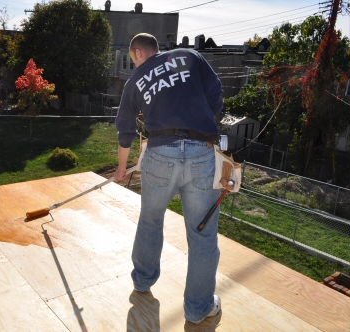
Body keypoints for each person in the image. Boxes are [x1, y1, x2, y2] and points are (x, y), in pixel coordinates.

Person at [114, 33, 223, 325]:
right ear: (157, 49)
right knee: (202, 235)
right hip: (203, 153)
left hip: (160, 153)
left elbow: (125, 127)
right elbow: (215, 94)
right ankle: (199, 309)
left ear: (137, 52)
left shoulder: (136, 80)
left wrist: (122, 168)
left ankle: (143, 282)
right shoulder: (189, 56)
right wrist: (200, 125)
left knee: (150, 219)